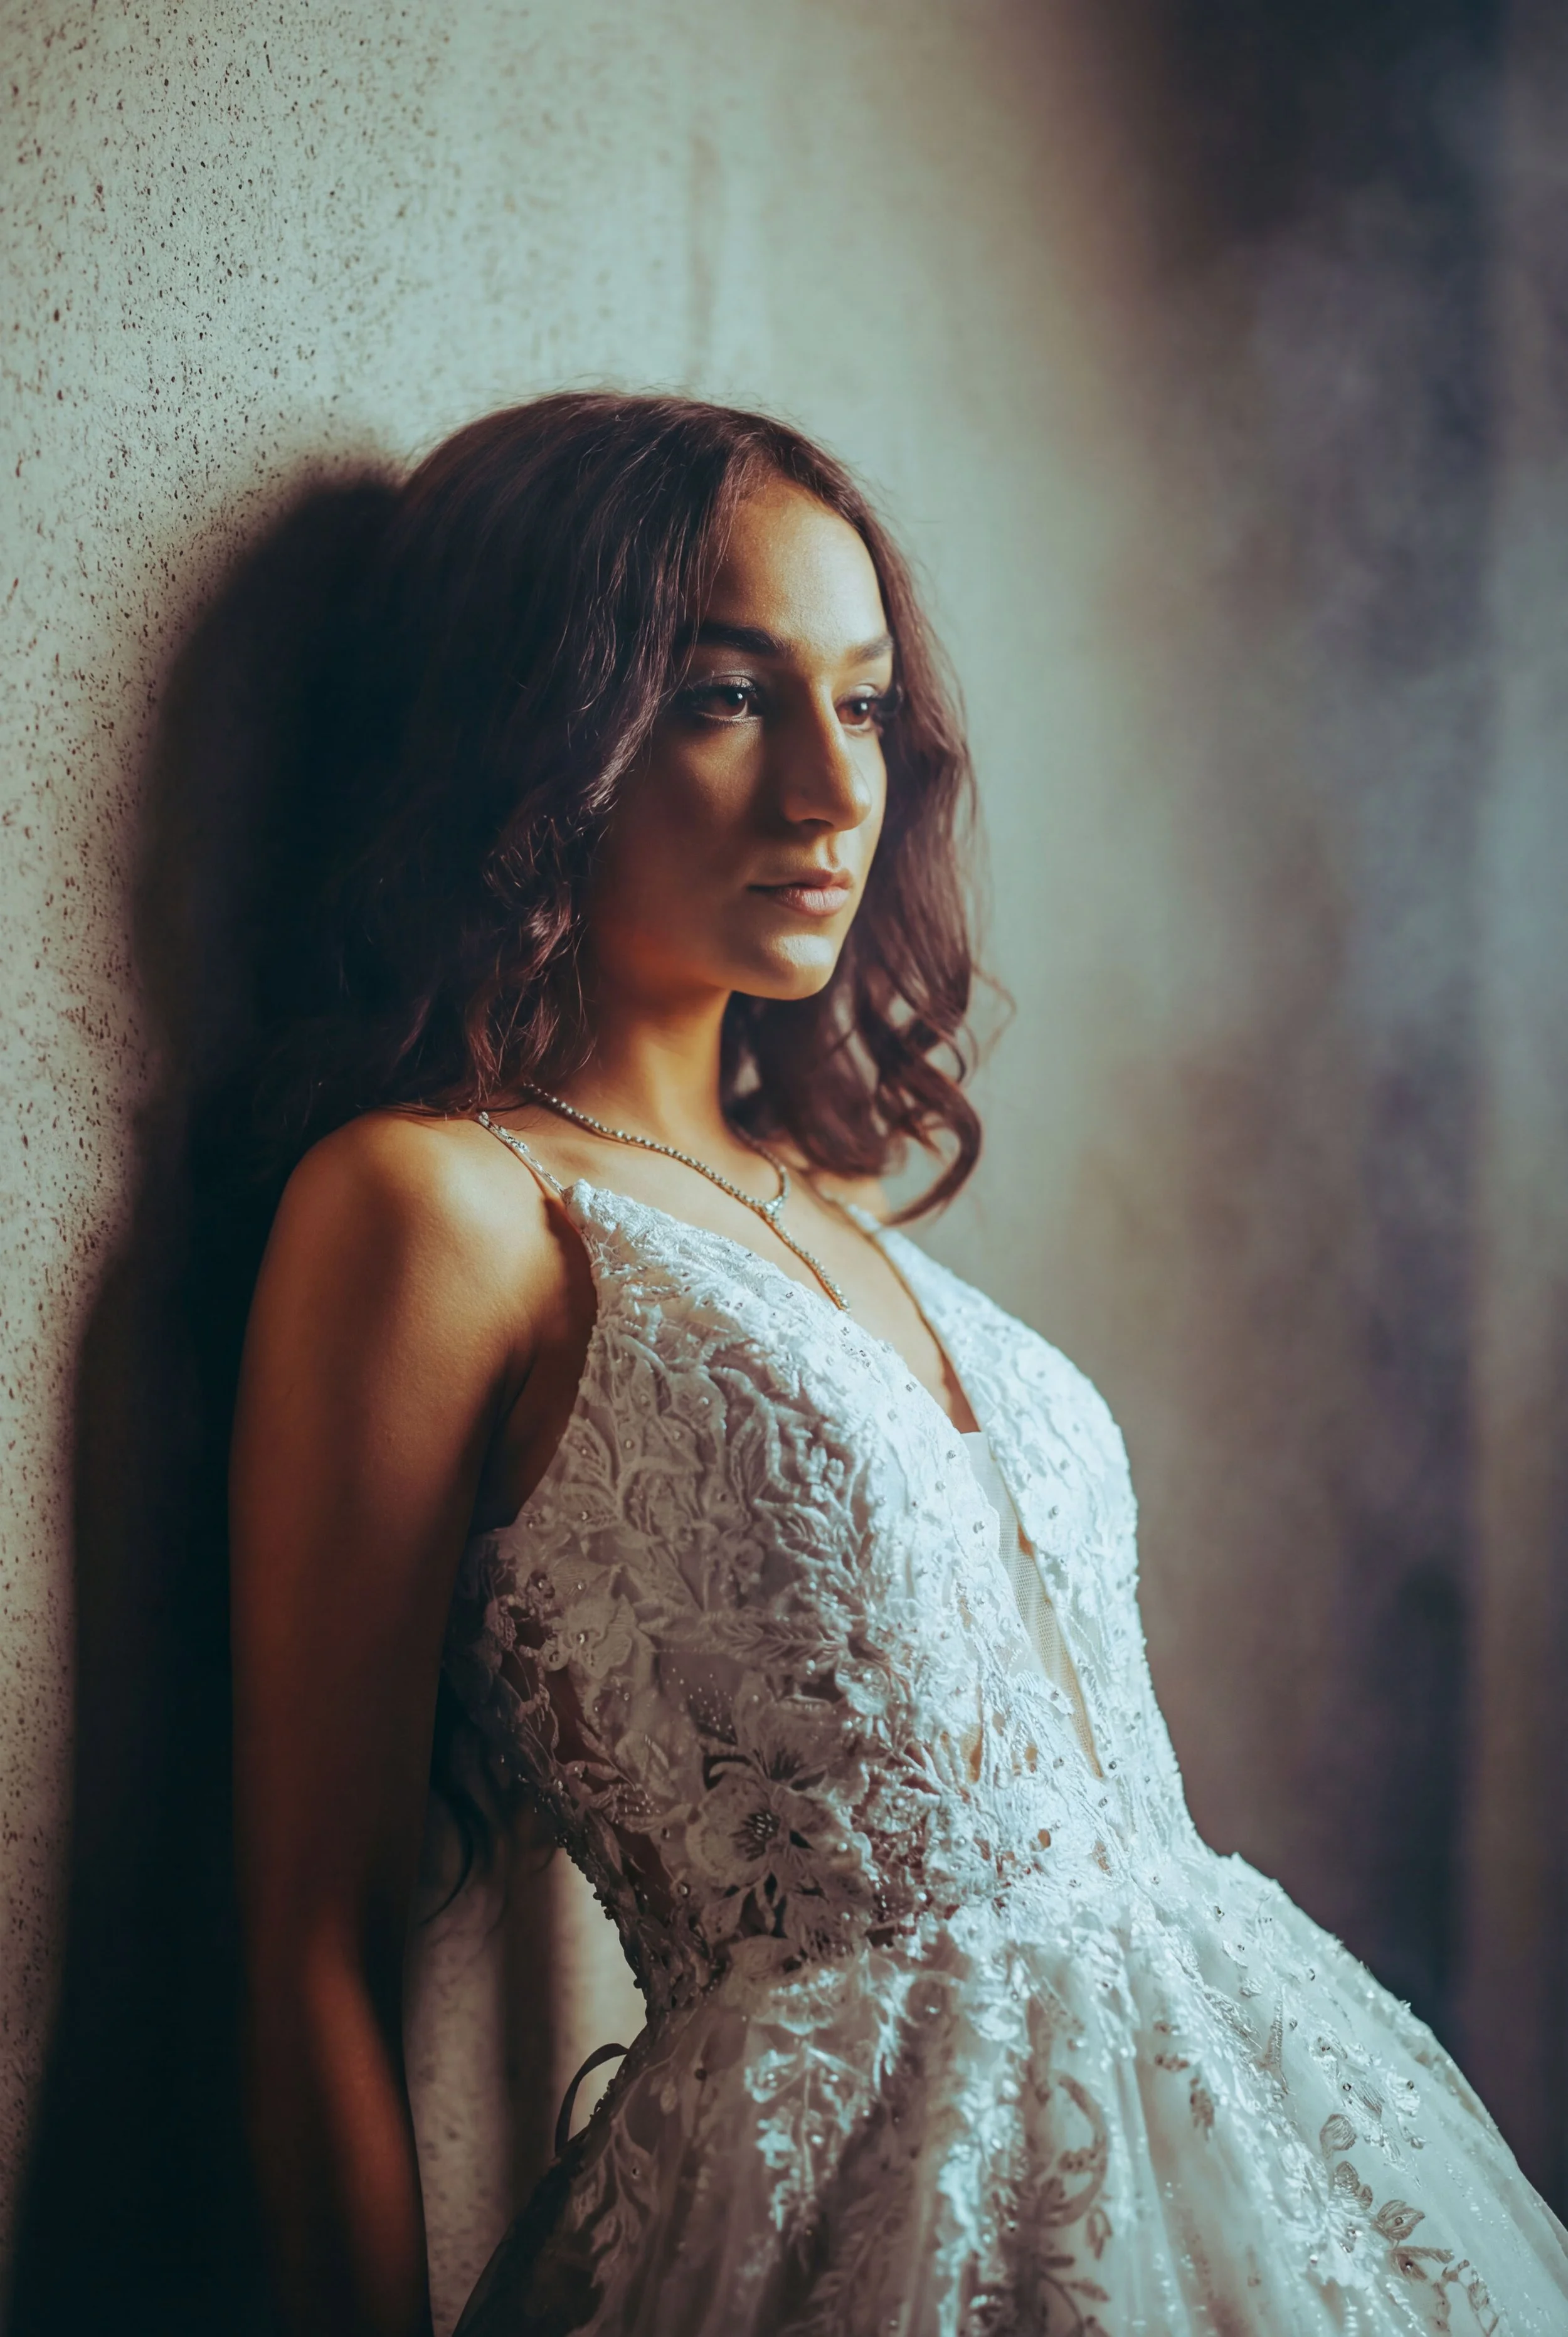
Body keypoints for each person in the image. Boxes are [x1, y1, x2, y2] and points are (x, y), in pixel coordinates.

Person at [230, 393, 1568, 2337]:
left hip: (1270, 2152)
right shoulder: (436, 1207)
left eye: (860, 706)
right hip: (860, 2226)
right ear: (543, 724)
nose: (827, 792)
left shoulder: (821, 1198)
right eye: (722, 695)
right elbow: (306, 1947)